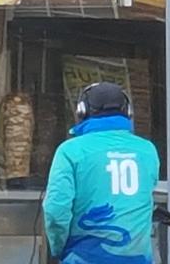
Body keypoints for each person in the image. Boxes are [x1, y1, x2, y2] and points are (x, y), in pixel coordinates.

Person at [43, 82, 160, 264]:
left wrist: (58, 248)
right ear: (128, 112)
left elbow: (56, 209)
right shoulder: (147, 151)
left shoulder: (70, 151)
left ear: (82, 111)